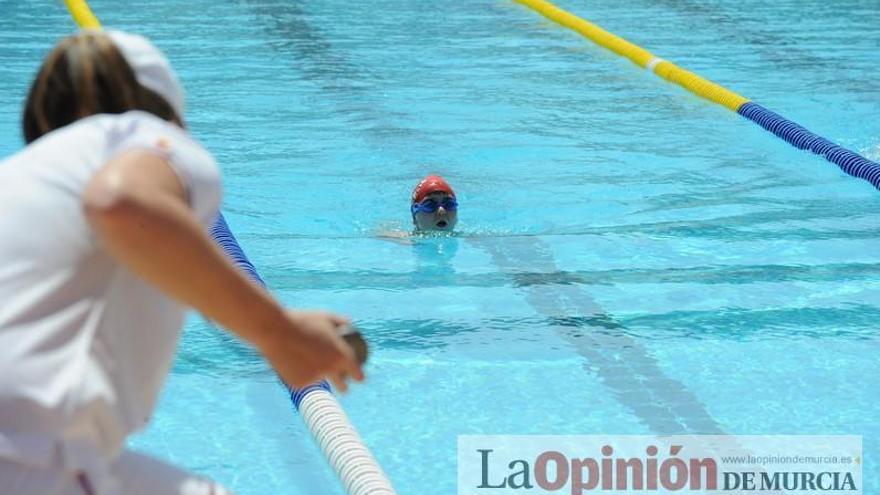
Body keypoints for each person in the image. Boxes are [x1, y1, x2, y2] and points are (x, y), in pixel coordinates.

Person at [0, 30, 363, 495]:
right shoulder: (151, 141)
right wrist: (279, 333)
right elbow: (121, 201)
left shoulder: (22, 176)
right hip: (31, 458)